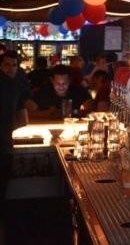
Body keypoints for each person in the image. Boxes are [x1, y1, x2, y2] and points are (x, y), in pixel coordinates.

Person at [0, 51, 28, 243]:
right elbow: (23, 120)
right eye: (7, 65)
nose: (11, 69)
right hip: (3, 149)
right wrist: (5, 130)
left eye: (14, 65)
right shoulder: (15, 86)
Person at [25, 64, 92, 119]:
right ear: (52, 81)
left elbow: (91, 111)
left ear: (69, 81)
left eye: (64, 83)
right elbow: (27, 112)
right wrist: (48, 113)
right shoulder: (43, 92)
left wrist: (72, 112)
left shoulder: (79, 91)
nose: (61, 86)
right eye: (58, 83)